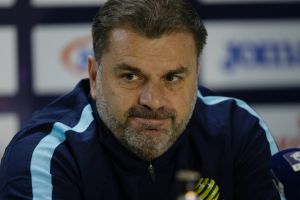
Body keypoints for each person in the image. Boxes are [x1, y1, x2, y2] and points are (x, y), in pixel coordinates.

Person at [0, 0, 281, 199]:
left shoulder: (238, 129)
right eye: (130, 77)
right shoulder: (48, 156)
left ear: (195, 77)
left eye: (172, 78)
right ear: (95, 77)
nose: (153, 101)